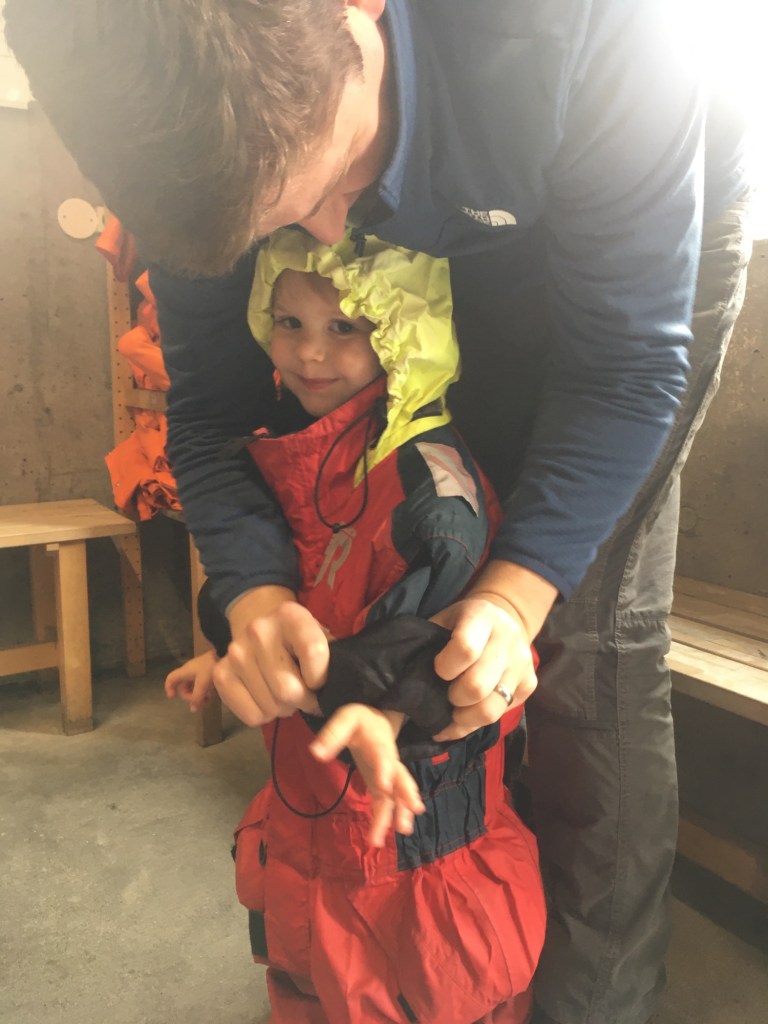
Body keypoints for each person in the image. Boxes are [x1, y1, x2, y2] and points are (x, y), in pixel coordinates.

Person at [5, 3, 752, 1022]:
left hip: (620, 210)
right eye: (279, 223)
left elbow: (623, 372)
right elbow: (214, 415)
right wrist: (255, 595)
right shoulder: (188, 149)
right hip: (456, 166)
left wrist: (516, 595)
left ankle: (589, 1001)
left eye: (338, 184)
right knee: (377, 569)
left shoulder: (594, 31)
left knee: (578, 640)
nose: (335, 235)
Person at [168, 228, 546, 1023]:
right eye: (290, 322)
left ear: (406, 332)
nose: (310, 352)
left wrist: (389, 711)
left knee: (424, 993)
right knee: (308, 978)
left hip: (408, 830)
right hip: (312, 809)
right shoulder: (298, 452)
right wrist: (231, 649)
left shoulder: (432, 490)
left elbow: (444, 649)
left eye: (345, 326)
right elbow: (287, 588)